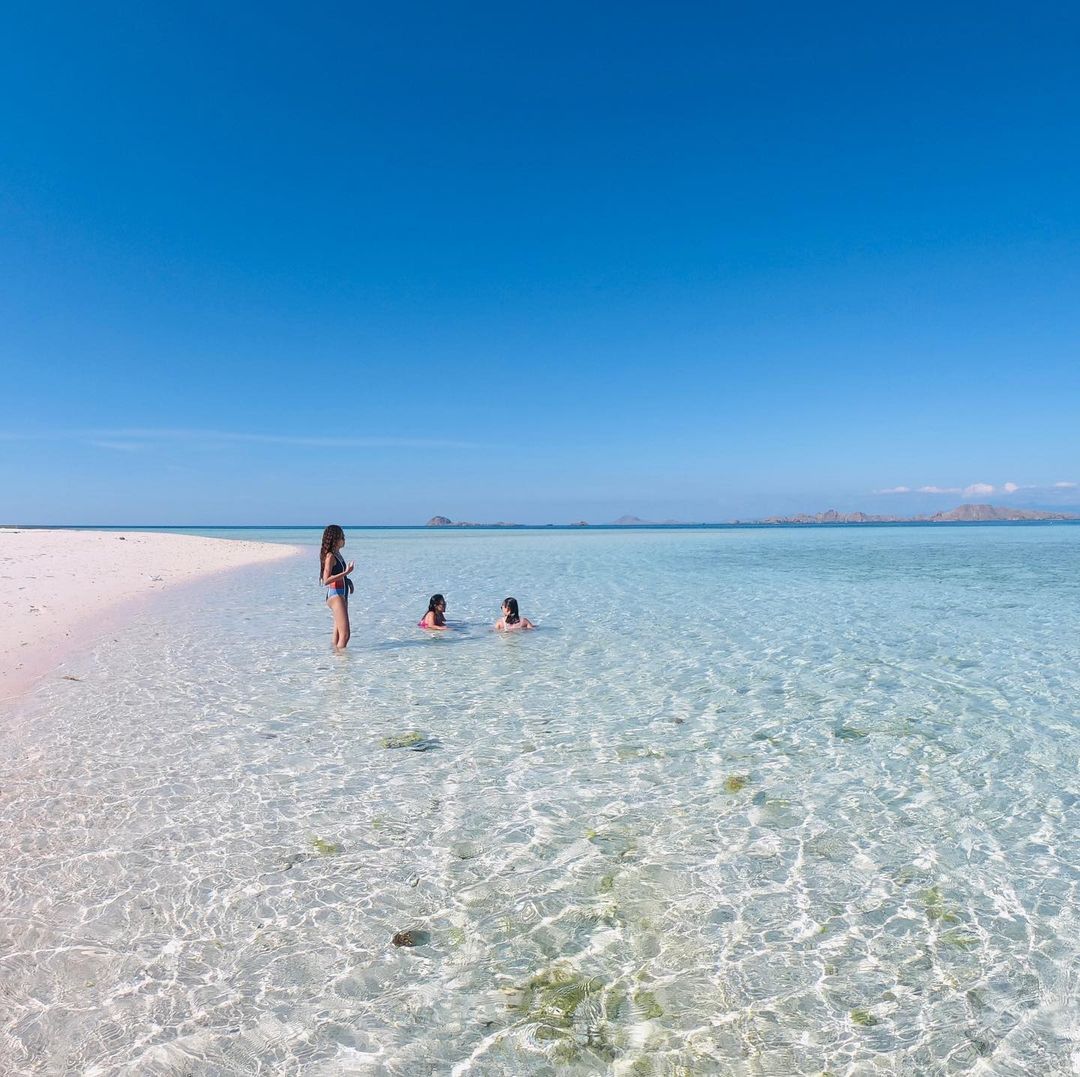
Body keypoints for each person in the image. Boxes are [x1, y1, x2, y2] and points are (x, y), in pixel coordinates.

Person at [320, 524, 354, 648]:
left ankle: (335, 660)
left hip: (341, 594)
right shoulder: (330, 556)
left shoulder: (337, 554)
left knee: (338, 634)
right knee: (345, 635)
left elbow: (338, 574)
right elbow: (326, 580)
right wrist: (346, 572)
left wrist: (347, 580)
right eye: (342, 537)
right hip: (335, 596)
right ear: (335, 539)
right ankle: (342, 663)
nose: (344, 539)